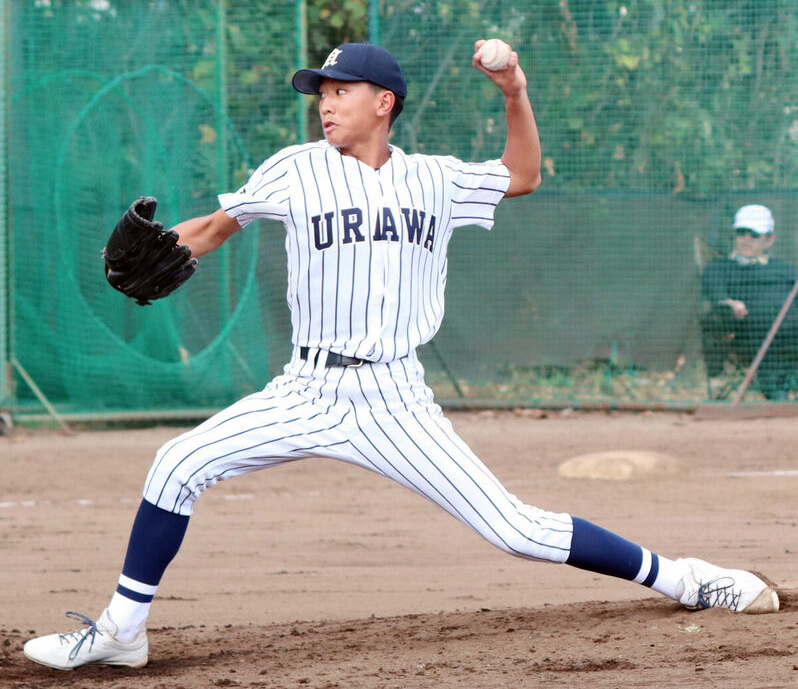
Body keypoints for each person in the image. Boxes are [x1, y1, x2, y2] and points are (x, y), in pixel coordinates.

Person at [23, 41, 779, 671]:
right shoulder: (295, 167)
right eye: (320, 90)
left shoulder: (435, 180)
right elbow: (218, 227)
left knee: (517, 530)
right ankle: (123, 631)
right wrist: (158, 249)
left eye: (341, 89)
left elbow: (523, 176)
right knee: (175, 465)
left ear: (383, 101)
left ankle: (686, 578)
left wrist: (514, 90)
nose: (324, 101)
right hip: (305, 389)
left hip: (395, 401)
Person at [701, 204, 798, 400]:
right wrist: (728, 303)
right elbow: (713, 290)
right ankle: (775, 389)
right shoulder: (720, 268)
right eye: (741, 232)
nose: (746, 239)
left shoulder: (785, 270)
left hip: (791, 336)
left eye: (754, 234)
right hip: (748, 335)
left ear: (769, 240)